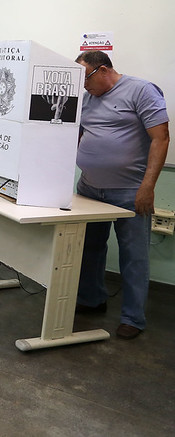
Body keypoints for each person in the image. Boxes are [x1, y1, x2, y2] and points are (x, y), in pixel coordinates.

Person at [74, 50, 169, 340]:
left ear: (103, 70)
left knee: (133, 256)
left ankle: (133, 318)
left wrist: (147, 187)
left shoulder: (141, 90)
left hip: (130, 190)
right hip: (89, 188)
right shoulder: (87, 97)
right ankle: (92, 299)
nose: (84, 86)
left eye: (86, 78)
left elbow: (161, 138)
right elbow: (79, 134)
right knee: (89, 248)